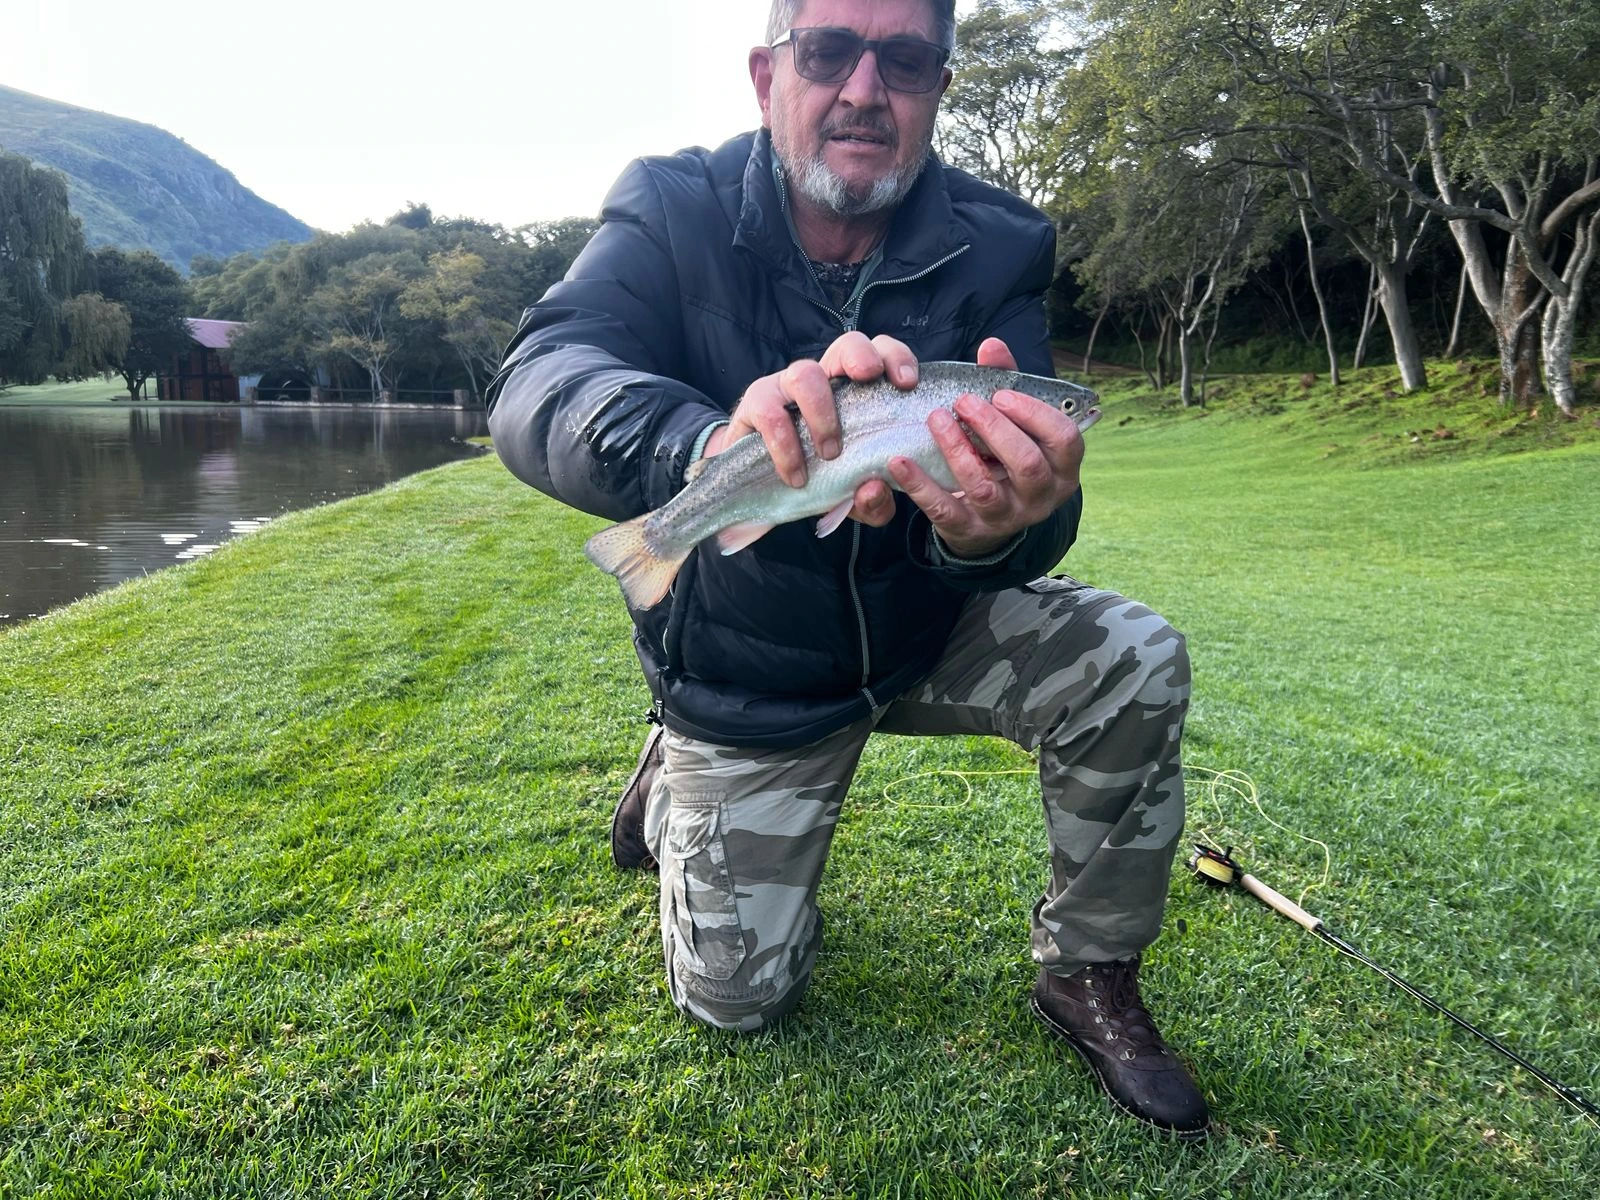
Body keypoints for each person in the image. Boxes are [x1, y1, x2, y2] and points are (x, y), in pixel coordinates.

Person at [486, 0, 1207, 1137]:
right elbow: (540, 378)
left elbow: (1037, 520)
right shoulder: (668, 206)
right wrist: (700, 449)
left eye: (904, 59)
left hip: (927, 628)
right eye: (830, 52)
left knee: (1135, 658)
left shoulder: (1004, 239)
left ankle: (1089, 973)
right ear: (768, 72)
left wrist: (992, 531)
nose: (864, 88)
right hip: (751, 666)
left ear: (938, 87)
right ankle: (677, 756)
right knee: (735, 1004)